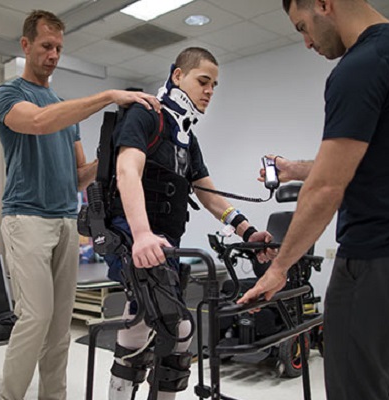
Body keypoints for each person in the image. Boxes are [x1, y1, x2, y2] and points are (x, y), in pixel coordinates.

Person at [238, 1, 389, 399]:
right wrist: (293, 169)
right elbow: (375, 156)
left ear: (325, 4)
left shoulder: (360, 65)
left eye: (303, 27)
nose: (307, 42)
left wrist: (280, 267)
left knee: (355, 389)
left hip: (380, 257)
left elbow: (327, 188)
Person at [0, 10, 161, 400]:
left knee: (59, 326)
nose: (53, 55)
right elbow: (36, 122)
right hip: (26, 217)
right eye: (46, 46)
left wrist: (118, 149)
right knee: (35, 317)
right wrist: (106, 95)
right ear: (26, 45)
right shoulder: (9, 94)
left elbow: (79, 176)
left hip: (65, 219)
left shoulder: (64, 108)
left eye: (58, 48)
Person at [104, 47, 275, 400]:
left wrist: (247, 231)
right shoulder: (145, 115)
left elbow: (208, 194)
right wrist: (140, 235)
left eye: (214, 84)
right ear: (177, 75)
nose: (209, 90)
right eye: (203, 81)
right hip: (130, 235)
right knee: (177, 328)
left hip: (163, 242)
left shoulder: (186, 138)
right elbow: (126, 170)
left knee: (143, 321)